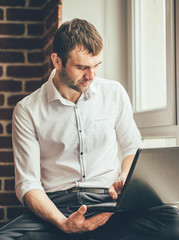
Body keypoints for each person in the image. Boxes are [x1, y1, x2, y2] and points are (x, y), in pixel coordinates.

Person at [0, 18, 178, 240]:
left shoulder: (114, 93)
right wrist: (62, 223)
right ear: (57, 60)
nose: (91, 76)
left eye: (96, 66)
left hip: (109, 204)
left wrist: (125, 176)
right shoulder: (27, 110)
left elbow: (132, 146)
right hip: (57, 207)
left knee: (173, 223)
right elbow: (28, 184)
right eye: (82, 67)